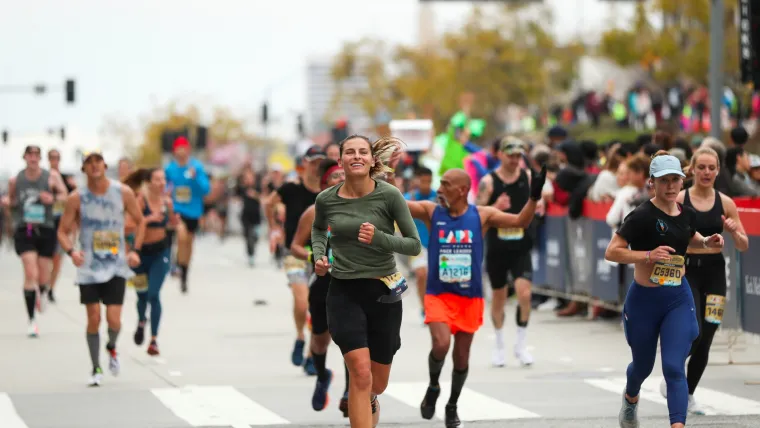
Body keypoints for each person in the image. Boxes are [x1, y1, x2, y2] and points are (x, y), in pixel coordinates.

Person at [404, 166, 545, 428]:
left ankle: (452, 404)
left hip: (469, 297)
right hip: (439, 295)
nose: (440, 189)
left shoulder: (482, 215)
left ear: (462, 190)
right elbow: (397, 203)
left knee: (461, 358)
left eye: (445, 184)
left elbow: (519, 222)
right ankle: (434, 386)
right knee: (441, 344)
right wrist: (379, 178)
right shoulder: (431, 212)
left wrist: (534, 197)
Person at [604, 151, 725, 428]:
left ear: (682, 181)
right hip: (644, 301)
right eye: (664, 181)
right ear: (652, 183)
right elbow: (613, 252)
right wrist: (648, 256)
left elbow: (687, 239)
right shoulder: (641, 216)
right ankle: (631, 397)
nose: (671, 186)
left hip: (676, 299)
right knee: (643, 367)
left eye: (675, 180)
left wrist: (707, 242)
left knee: (673, 367)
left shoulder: (687, 215)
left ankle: (677, 424)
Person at [311, 135, 422, 428]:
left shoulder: (389, 195)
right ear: (341, 160)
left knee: (376, 382)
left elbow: (413, 245)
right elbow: (319, 229)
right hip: (343, 292)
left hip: (383, 293)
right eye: (350, 152)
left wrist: (380, 238)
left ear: (373, 160)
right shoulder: (326, 199)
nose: (356, 156)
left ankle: (371, 399)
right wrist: (320, 256)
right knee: (360, 373)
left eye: (363, 151)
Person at [657, 147, 749, 414]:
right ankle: (673, 373)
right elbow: (667, 235)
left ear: (718, 171)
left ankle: (688, 393)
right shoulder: (680, 199)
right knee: (693, 329)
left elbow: (743, 245)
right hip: (687, 271)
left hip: (716, 272)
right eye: (702, 167)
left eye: (712, 168)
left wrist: (733, 232)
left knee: (708, 333)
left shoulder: (726, 203)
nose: (707, 172)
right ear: (693, 170)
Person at [57, 150, 146, 386]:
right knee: (94, 318)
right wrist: (72, 252)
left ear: (105, 166)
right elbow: (62, 231)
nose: (94, 166)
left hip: (116, 265)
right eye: (89, 163)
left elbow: (140, 221)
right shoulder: (77, 198)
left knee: (114, 320)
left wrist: (135, 250)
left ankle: (112, 347)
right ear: (84, 169)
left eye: (98, 161)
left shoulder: (123, 193)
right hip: (89, 267)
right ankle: (96, 367)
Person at [291, 158, 351, 415]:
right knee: (320, 342)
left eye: (342, 175)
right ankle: (322, 375)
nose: (340, 179)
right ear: (324, 184)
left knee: (352, 339)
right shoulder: (314, 211)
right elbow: (294, 246)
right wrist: (313, 257)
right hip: (323, 283)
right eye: (334, 176)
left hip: (352, 282)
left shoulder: (359, 207)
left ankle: (351, 391)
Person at [476, 136, 538, 366]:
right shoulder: (489, 182)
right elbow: (476, 213)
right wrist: (495, 207)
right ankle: (499, 345)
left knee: (524, 294)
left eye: (518, 156)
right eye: (510, 155)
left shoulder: (528, 177)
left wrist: (538, 204)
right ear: (500, 154)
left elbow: (542, 196)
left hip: (521, 246)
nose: (514, 160)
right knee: (499, 298)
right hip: (498, 248)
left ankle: (521, 344)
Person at [266, 146, 325, 374]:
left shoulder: (327, 191)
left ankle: (312, 353)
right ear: (305, 163)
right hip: (294, 252)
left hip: (321, 255)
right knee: (303, 302)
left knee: (318, 306)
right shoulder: (291, 188)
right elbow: (268, 203)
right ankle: (300, 336)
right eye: (313, 162)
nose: (316, 167)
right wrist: (274, 229)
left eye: (321, 162)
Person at [8, 145, 68, 336]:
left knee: (43, 275)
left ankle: (43, 290)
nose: (33, 158)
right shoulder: (15, 179)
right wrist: (9, 204)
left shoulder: (50, 177)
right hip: (25, 228)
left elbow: (65, 195)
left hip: (46, 228)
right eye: (30, 155)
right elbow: (11, 201)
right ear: (25, 157)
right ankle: (31, 320)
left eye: (36, 155)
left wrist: (52, 198)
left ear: (40, 158)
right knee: (30, 272)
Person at [126, 168, 179, 356]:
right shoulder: (140, 200)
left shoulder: (167, 202)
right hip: (140, 254)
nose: (162, 183)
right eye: (157, 179)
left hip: (161, 253)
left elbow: (172, 224)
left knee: (153, 293)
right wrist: (148, 219)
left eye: (163, 179)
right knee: (141, 295)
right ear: (149, 182)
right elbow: (129, 225)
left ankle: (154, 340)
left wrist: (174, 219)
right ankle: (141, 321)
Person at [164, 136, 210, 293]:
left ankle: (184, 273)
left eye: (184, 148)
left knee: (188, 245)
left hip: (194, 211)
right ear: (174, 150)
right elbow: (164, 188)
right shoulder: (170, 169)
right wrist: (166, 193)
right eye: (178, 148)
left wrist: (195, 177)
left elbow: (205, 189)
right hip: (178, 209)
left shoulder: (196, 167)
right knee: (181, 236)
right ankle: (176, 264)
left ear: (188, 150)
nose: (181, 151)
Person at [404, 167, 438, 321]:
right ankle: (424, 308)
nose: (426, 185)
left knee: (436, 277)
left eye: (429, 181)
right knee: (421, 274)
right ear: (417, 180)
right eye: (423, 181)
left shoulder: (438, 198)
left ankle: (435, 306)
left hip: (436, 244)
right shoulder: (409, 197)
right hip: (417, 245)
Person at [47, 148, 69, 304]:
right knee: (44, 258)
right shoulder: (43, 177)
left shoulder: (67, 179)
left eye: (57, 157)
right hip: (45, 222)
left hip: (61, 223)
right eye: (52, 157)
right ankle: (42, 284)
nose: (55, 160)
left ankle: (50, 289)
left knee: (57, 259)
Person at [236, 168, 263, 267]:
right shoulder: (242, 188)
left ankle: (253, 248)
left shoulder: (258, 187)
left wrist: (254, 194)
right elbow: (236, 194)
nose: (248, 179)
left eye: (250, 177)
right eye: (246, 177)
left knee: (255, 237)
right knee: (247, 237)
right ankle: (250, 255)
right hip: (245, 216)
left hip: (256, 216)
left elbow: (263, 198)